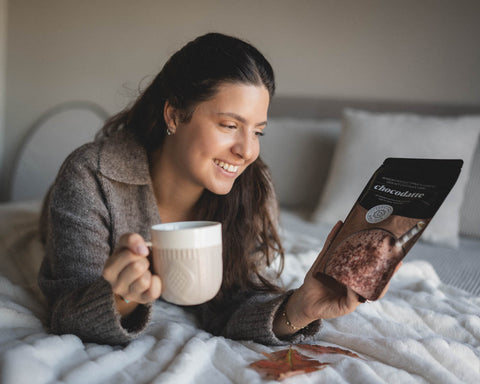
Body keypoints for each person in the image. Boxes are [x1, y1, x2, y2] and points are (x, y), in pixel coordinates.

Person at [38, 32, 390, 346]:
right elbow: (67, 310)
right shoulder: (91, 176)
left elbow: (235, 302)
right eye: (229, 125)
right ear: (174, 116)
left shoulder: (253, 188)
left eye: (258, 131)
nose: (247, 151)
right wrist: (120, 298)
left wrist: (300, 308)